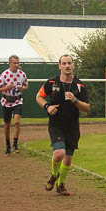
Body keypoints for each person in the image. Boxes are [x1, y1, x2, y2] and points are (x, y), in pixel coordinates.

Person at [35, 54, 91, 197]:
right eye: (64, 63)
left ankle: (60, 185)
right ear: (59, 66)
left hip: (72, 126)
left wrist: (75, 100)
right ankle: (54, 175)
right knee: (59, 153)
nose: (67, 66)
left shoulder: (80, 85)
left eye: (69, 63)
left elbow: (87, 108)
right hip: (56, 124)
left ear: (73, 65)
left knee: (68, 158)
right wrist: (47, 107)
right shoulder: (51, 82)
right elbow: (39, 96)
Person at [0, 55, 29, 155]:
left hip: (17, 101)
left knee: (17, 122)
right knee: (7, 125)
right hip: (6, 101)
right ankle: (7, 145)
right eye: (14, 63)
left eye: (18, 63)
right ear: (10, 63)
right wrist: (6, 88)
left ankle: (15, 144)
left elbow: (26, 85)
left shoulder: (22, 74)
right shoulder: (5, 74)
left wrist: (23, 88)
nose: (17, 65)